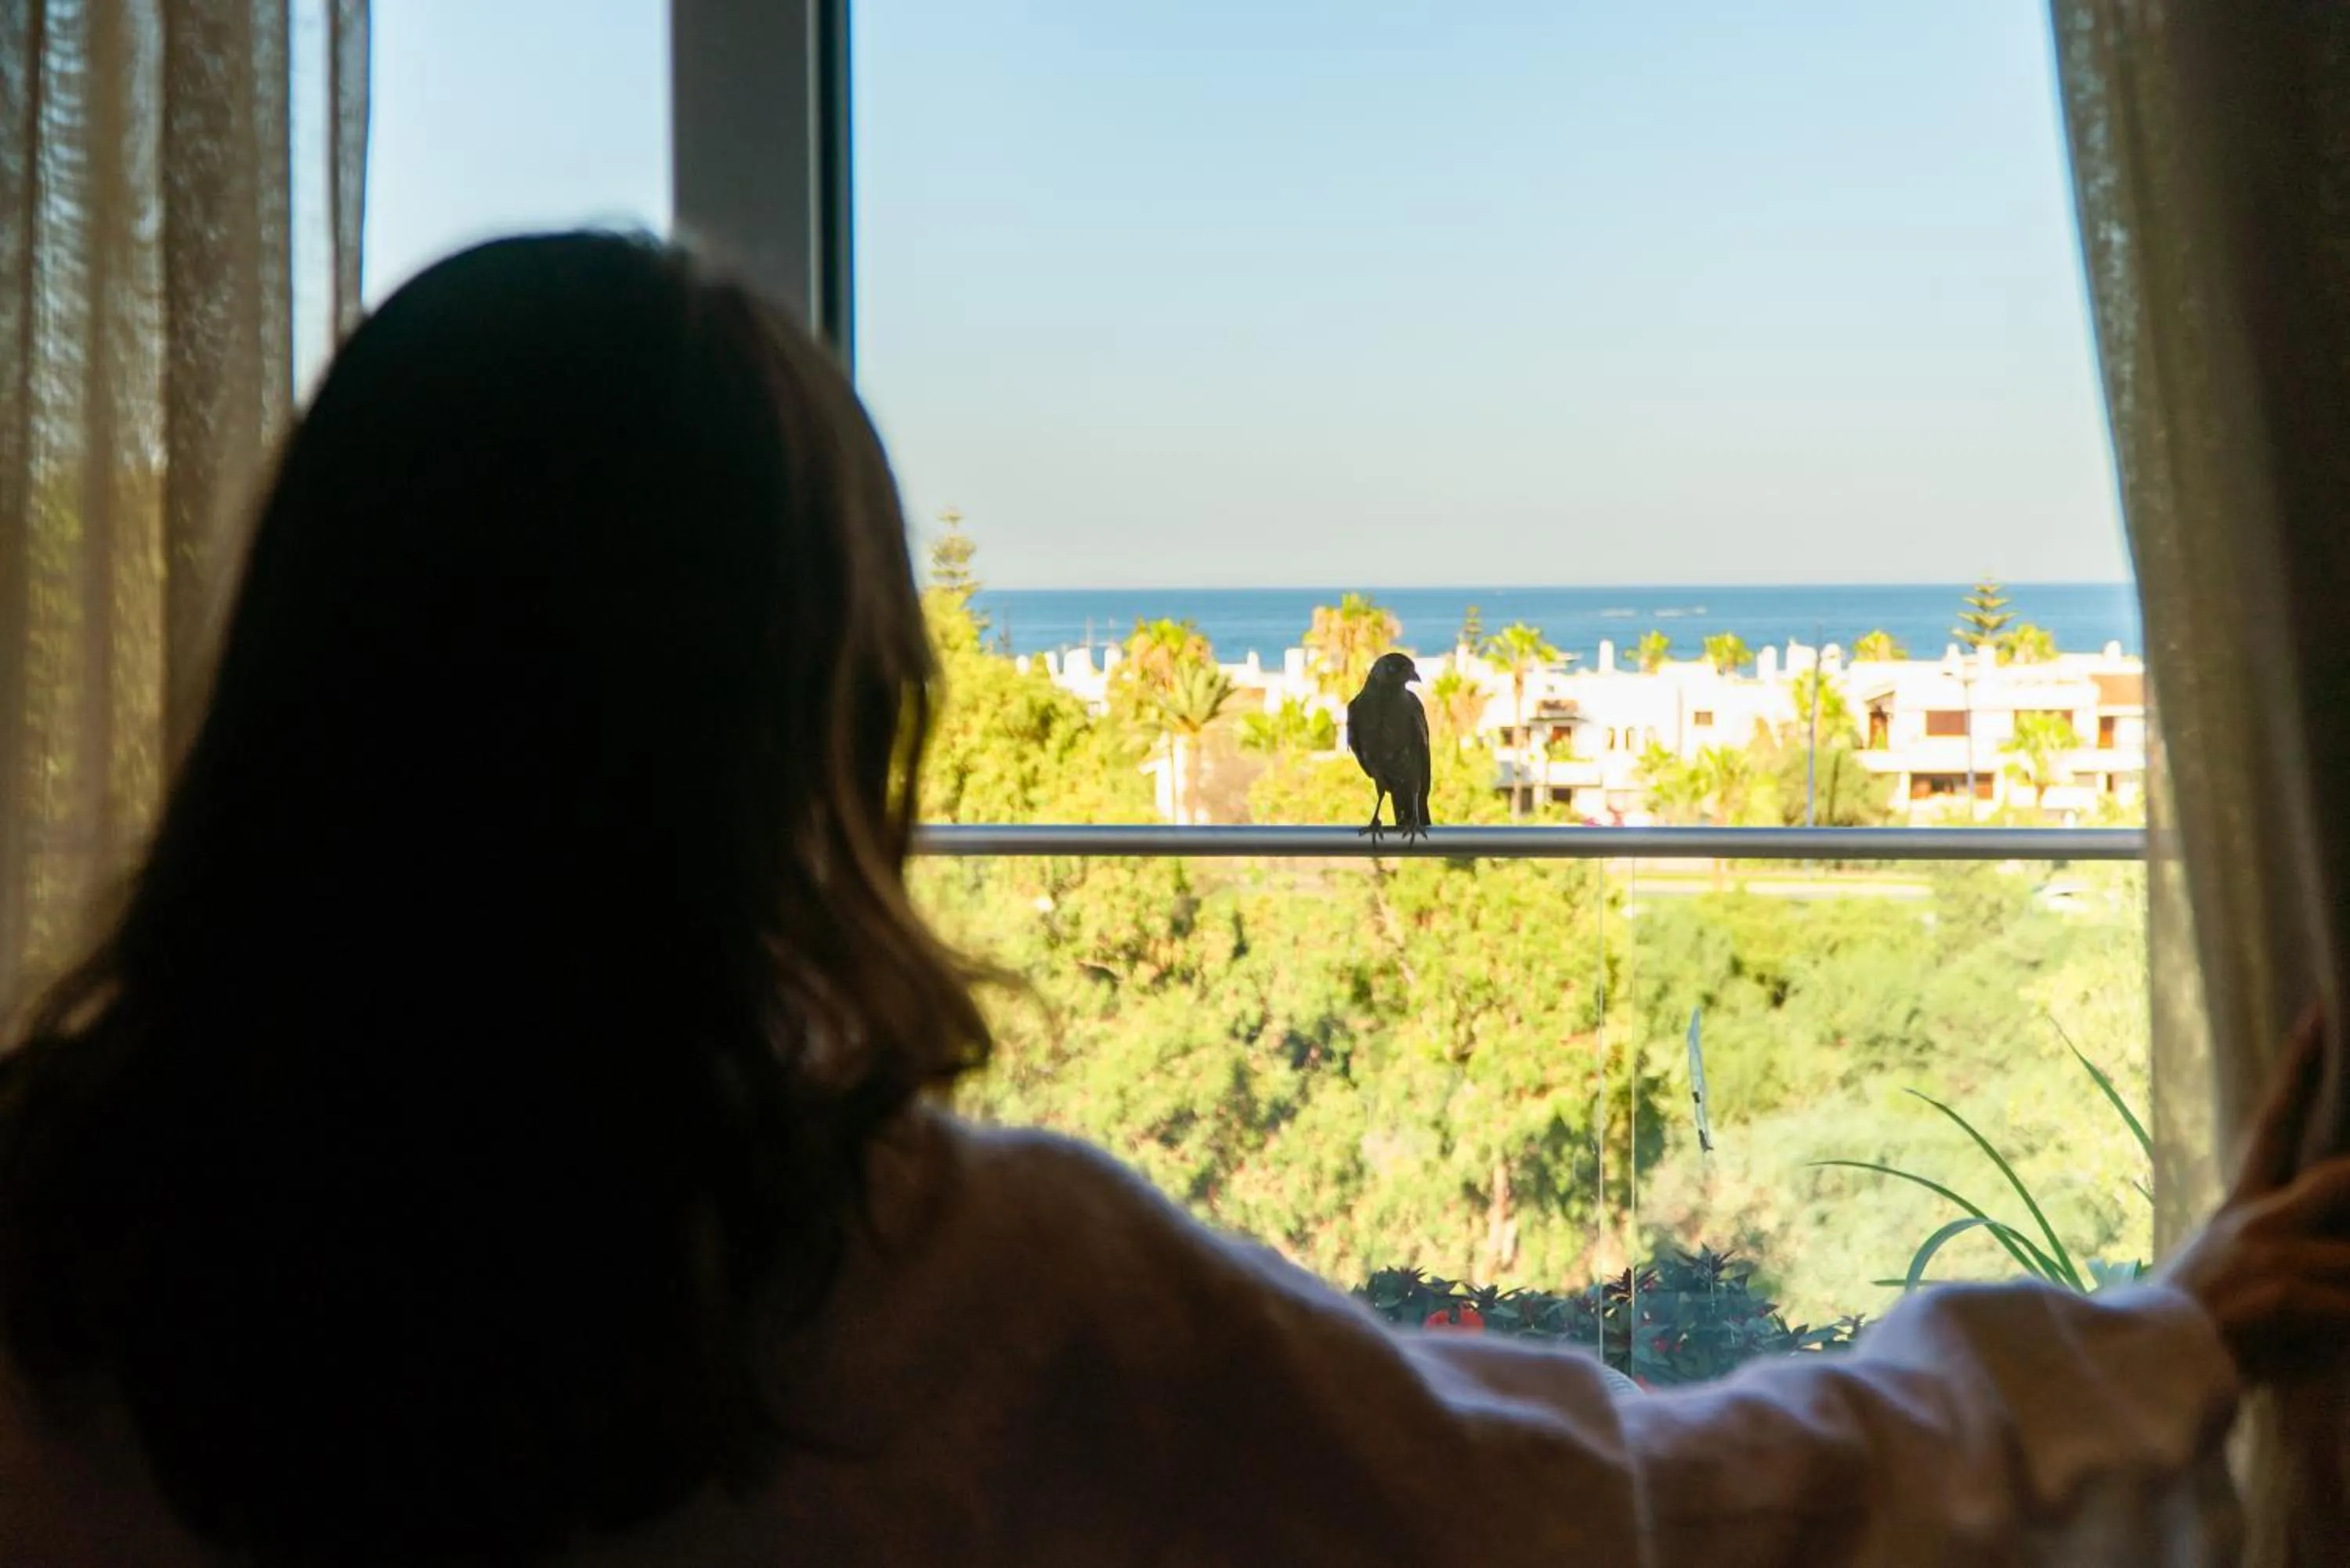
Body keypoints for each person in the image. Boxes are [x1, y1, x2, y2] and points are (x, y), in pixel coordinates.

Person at [0, 230, 2345, 1568]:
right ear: (808, 749)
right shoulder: (940, 1288)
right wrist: (2159, 1336)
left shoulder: (55, 1250)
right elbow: (1590, 1513)